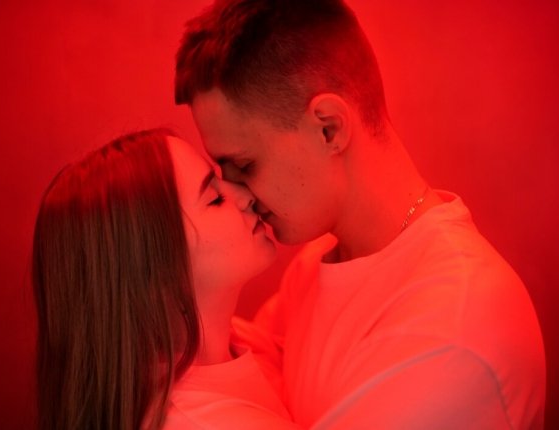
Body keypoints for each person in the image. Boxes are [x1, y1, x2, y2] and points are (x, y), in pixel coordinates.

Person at [175, 0, 547, 428]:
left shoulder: (453, 327)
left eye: (245, 165)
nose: (235, 191)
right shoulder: (315, 266)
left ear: (328, 128)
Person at [31, 129, 301, 430]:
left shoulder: (236, 338)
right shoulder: (199, 422)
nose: (246, 195)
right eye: (214, 199)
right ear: (153, 268)